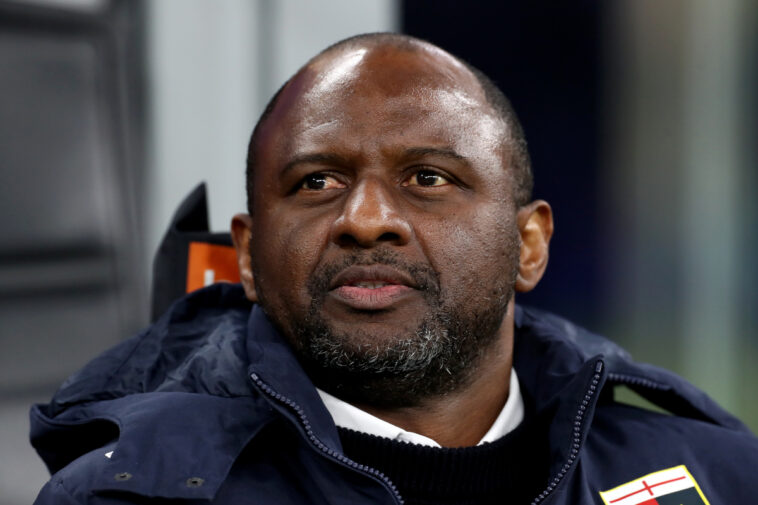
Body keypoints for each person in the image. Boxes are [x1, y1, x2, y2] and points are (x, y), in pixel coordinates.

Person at [31, 33, 758, 505]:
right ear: (247, 256)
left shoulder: (720, 476)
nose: (365, 218)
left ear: (528, 245)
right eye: (316, 182)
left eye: (429, 177)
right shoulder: (120, 495)